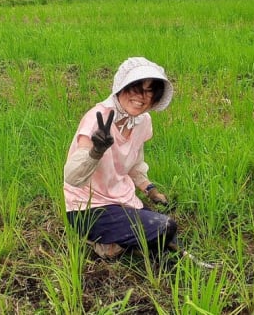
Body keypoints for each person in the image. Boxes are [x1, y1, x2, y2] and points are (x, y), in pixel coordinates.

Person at [63, 56, 177, 260]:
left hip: (121, 199)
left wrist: (149, 189)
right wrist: (95, 151)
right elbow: (72, 177)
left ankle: (119, 243)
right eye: (136, 88)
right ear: (121, 87)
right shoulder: (98, 118)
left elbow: (135, 162)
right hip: (87, 208)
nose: (141, 97)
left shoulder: (142, 121)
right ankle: (105, 245)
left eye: (149, 90)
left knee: (163, 228)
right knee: (164, 227)